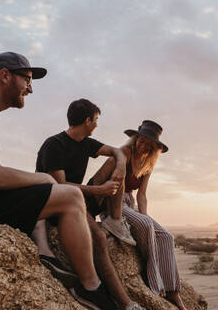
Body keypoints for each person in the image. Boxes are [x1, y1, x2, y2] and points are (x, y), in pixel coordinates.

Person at [0, 52, 125, 310]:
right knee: (70, 196)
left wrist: (34, 181)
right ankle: (91, 288)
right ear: (5, 75)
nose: (30, 88)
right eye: (27, 79)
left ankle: (45, 252)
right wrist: (43, 178)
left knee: (34, 186)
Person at [32, 98, 143, 310]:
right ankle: (126, 304)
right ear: (87, 120)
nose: (97, 125)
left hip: (80, 198)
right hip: (59, 204)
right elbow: (62, 187)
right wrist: (99, 191)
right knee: (99, 239)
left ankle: (115, 221)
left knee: (113, 162)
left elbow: (118, 151)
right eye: (96, 120)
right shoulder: (54, 145)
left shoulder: (86, 143)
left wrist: (120, 165)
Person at [114, 120, 187, 310]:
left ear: (154, 147)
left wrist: (145, 217)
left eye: (149, 144)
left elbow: (142, 194)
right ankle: (154, 282)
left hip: (131, 204)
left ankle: (173, 292)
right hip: (115, 202)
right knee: (146, 225)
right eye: (142, 141)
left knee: (166, 237)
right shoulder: (126, 152)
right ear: (136, 138)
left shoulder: (148, 162)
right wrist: (144, 222)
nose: (144, 146)